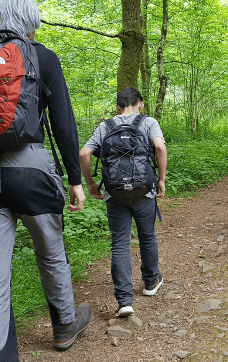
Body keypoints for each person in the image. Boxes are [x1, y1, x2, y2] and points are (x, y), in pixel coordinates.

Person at [0, 0, 91, 361]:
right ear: (32, 20)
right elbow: (63, 123)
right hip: (32, 172)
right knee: (51, 253)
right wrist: (75, 180)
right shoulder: (42, 57)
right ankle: (64, 326)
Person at [79, 87, 167, 318]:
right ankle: (150, 283)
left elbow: (84, 154)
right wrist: (161, 179)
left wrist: (90, 184)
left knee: (120, 243)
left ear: (117, 107)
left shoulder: (105, 126)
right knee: (147, 236)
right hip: (144, 191)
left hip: (114, 193)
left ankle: (125, 300)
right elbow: (159, 147)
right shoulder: (148, 122)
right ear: (140, 104)